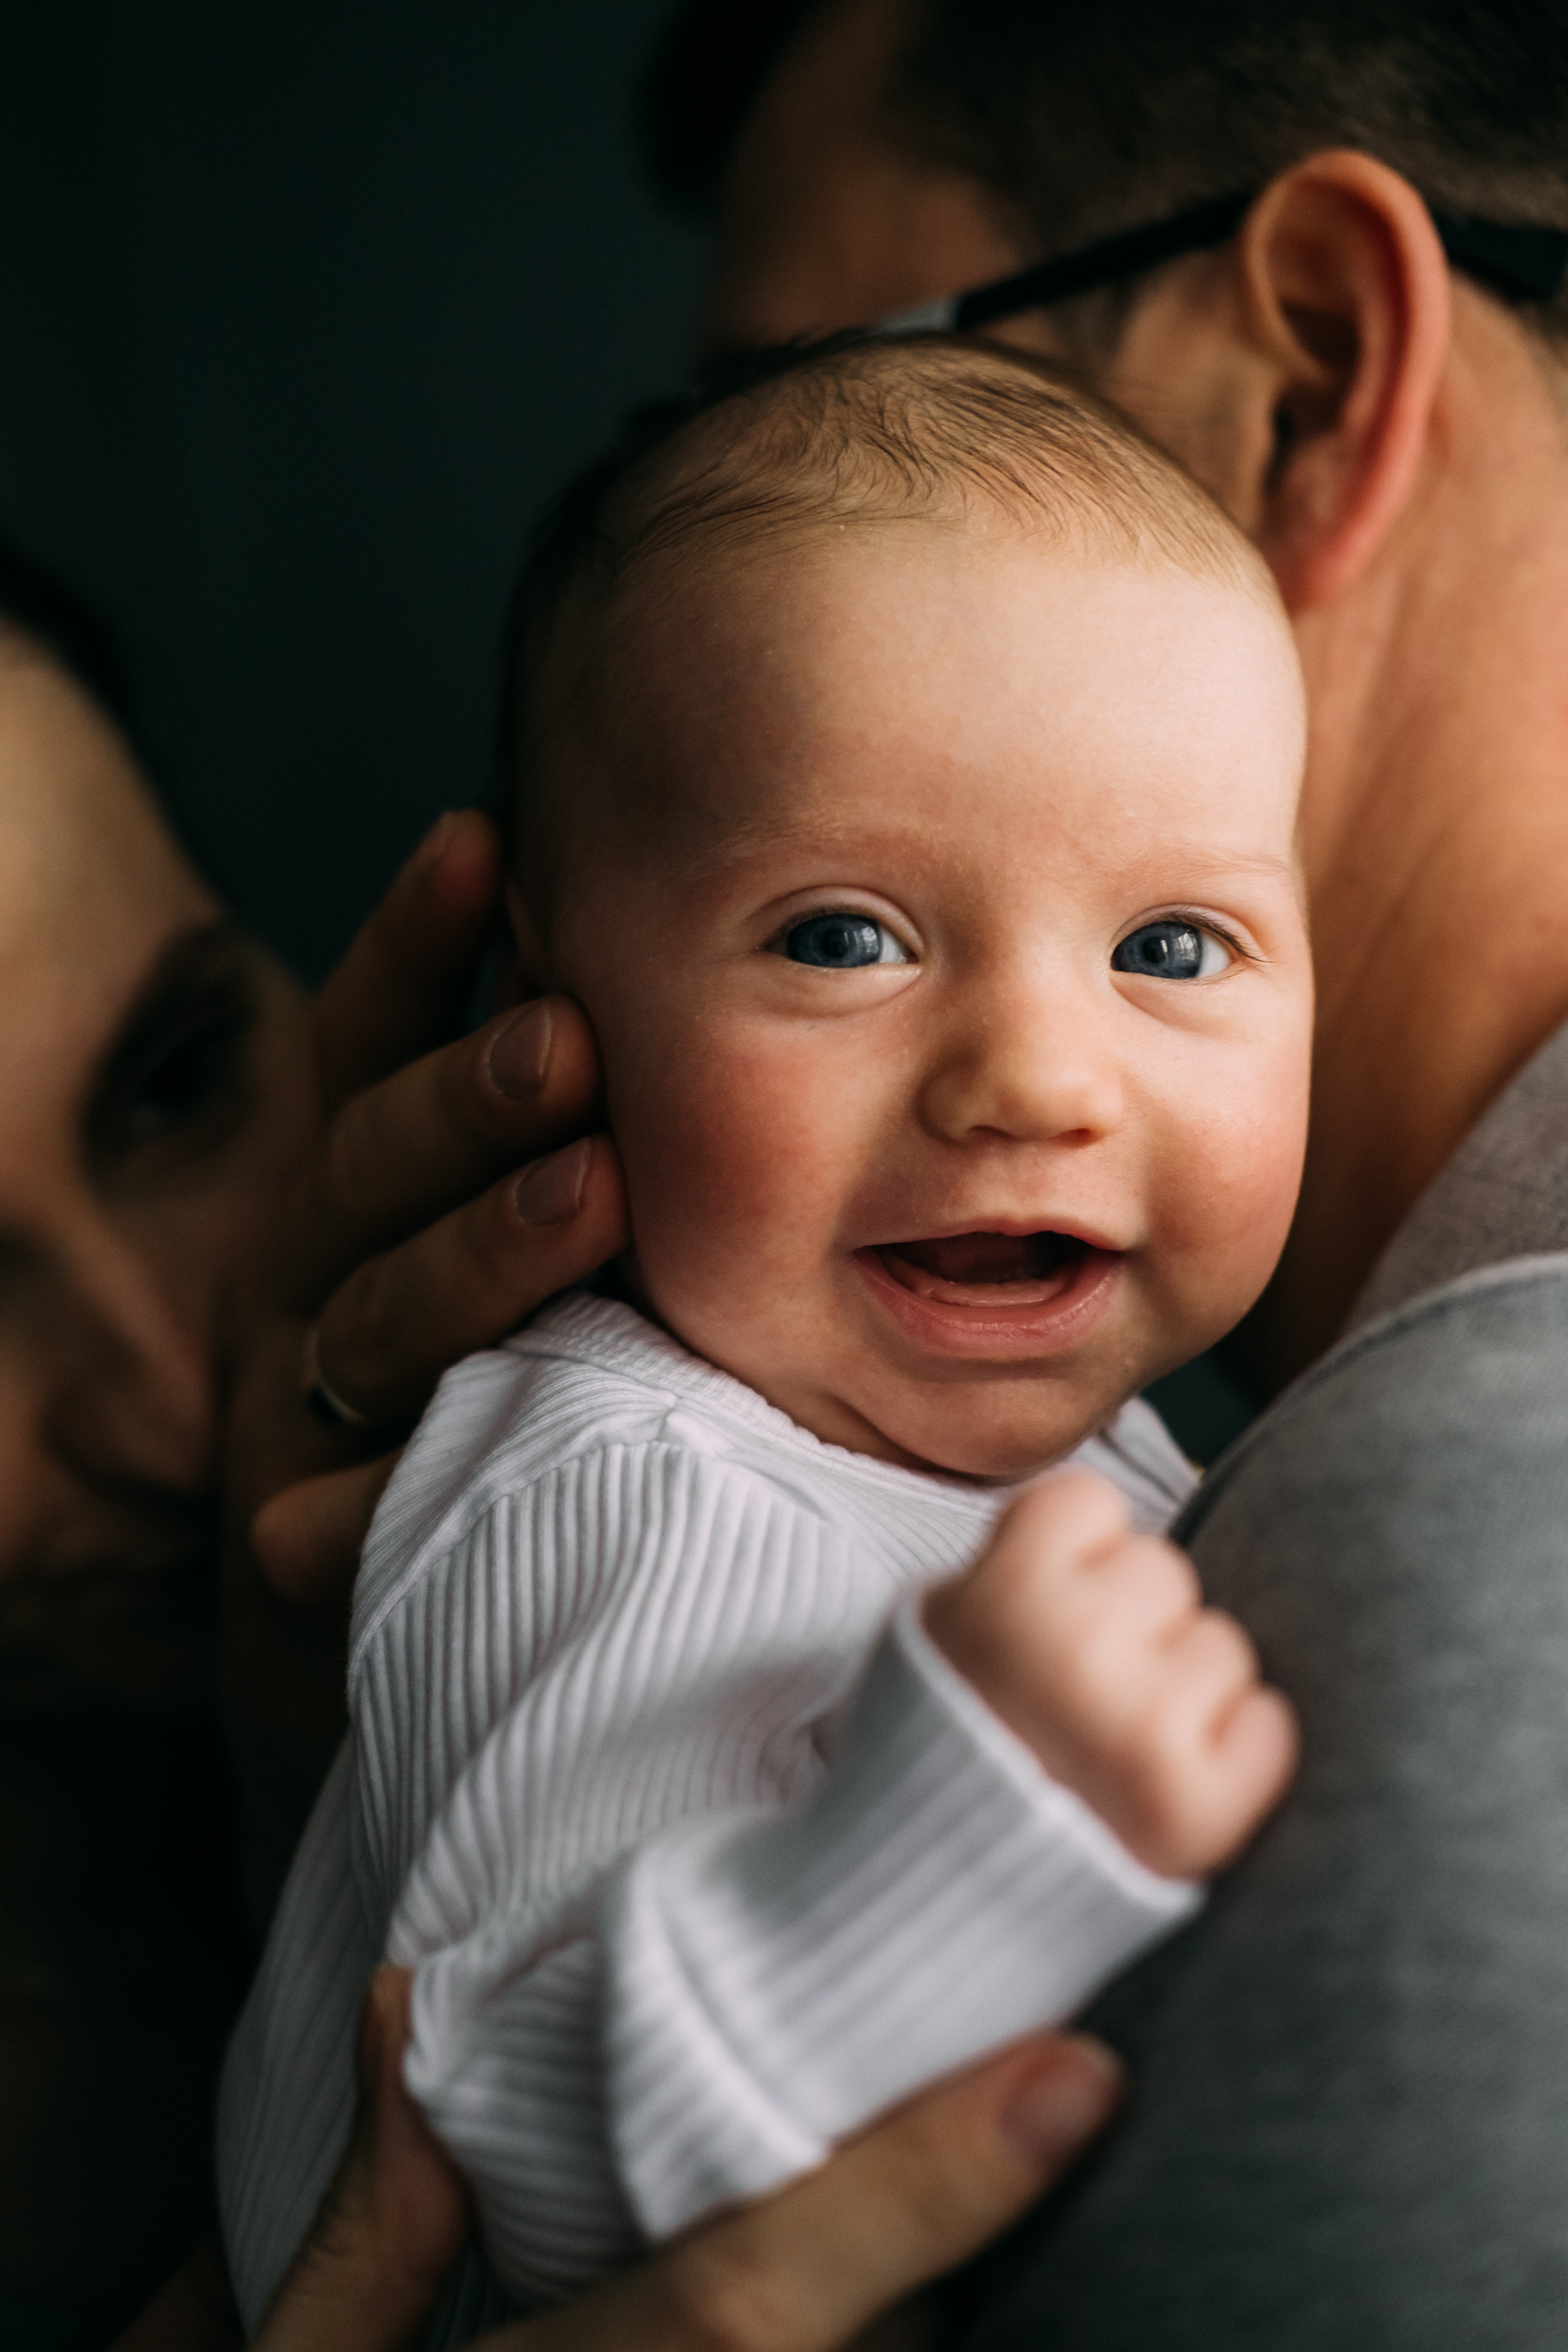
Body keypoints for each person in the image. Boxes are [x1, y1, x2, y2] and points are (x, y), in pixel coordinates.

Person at [216, 332, 1307, 2334]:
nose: (1035, 1080)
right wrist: (977, 1821)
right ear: (554, 1011)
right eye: (842, 937)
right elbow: (485, 2144)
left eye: (1172, 945)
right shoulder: (610, 1480)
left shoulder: (1092, 1456)